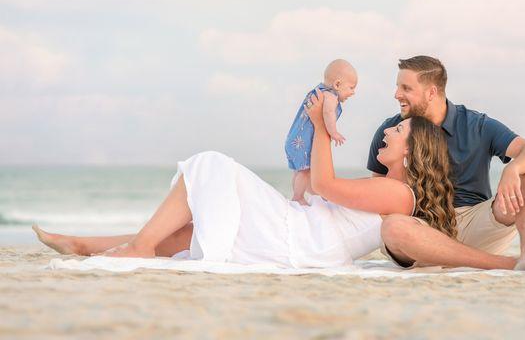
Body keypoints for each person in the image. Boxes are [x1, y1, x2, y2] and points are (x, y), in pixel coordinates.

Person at [32, 90, 457, 269]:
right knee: (196, 227)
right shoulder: (386, 188)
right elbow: (318, 191)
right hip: (299, 235)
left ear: (414, 151)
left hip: (296, 243)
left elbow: (326, 186)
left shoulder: (399, 193)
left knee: (212, 164)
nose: (386, 132)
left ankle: (140, 247)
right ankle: (85, 246)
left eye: (397, 132)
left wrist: (321, 126)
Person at [368, 55, 525, 272]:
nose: (397, 94)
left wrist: (513, 168)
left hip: (478, 223)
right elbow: (378, 193)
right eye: (398, 87)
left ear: (431, 93)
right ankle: (510, 263)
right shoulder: (391, 131)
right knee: (393, 227)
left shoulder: (475, 125)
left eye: (406, 88)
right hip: (423, 234)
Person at [284, 59, 358, 205]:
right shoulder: (330, 96)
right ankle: (298, 197)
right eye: (351, 87)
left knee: (301, 171)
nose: (353, 92)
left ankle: (305, 195)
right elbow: (328, 113)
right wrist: (333, 132)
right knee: (304, 171)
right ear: (337, 85)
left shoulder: (318, 91)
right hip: (303, 142)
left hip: (294, 140)